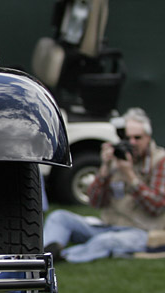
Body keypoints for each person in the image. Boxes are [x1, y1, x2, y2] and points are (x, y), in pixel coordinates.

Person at [45, 108, 165, 263]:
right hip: (107, 225)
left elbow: (156, 206)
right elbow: (95, 202)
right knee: (59, 217)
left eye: (137, 138)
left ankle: (64, 257)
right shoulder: (116, 159)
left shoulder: (160, 161)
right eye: (127, 138)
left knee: (106, 241)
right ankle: (48, 250)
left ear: (148, 138)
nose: (132, 143)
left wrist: (130, 175)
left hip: (141, 231)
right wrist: (104, 171)